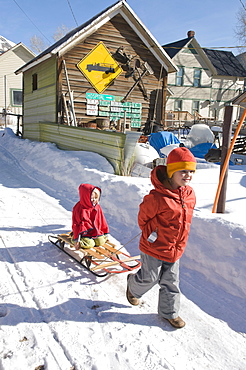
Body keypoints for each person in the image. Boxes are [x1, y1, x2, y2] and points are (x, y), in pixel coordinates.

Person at [126, 147, 196, 329]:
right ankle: (133, 287)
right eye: (183, 171)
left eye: (191, 171)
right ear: (172, 172)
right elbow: (143, 218)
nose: (188, 175)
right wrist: (152, 232)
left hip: (175, 248)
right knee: (150, 278)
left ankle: (169, 313)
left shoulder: (189, 195)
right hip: (154, 247)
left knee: (171, 282)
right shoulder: (157, 197)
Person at [72, 183, 109, 249]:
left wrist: (105, 233)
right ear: (85, 197)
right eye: (92, 198)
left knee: (100, 242)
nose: (94, 200)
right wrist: (76, 239)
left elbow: (102, 220)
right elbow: (76, 224)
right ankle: (73, 239)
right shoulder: (79, 208)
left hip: (95, 231)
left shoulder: (97, 207)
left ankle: (92, 240)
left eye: (96, 198)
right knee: (90, 244)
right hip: (84, 233)